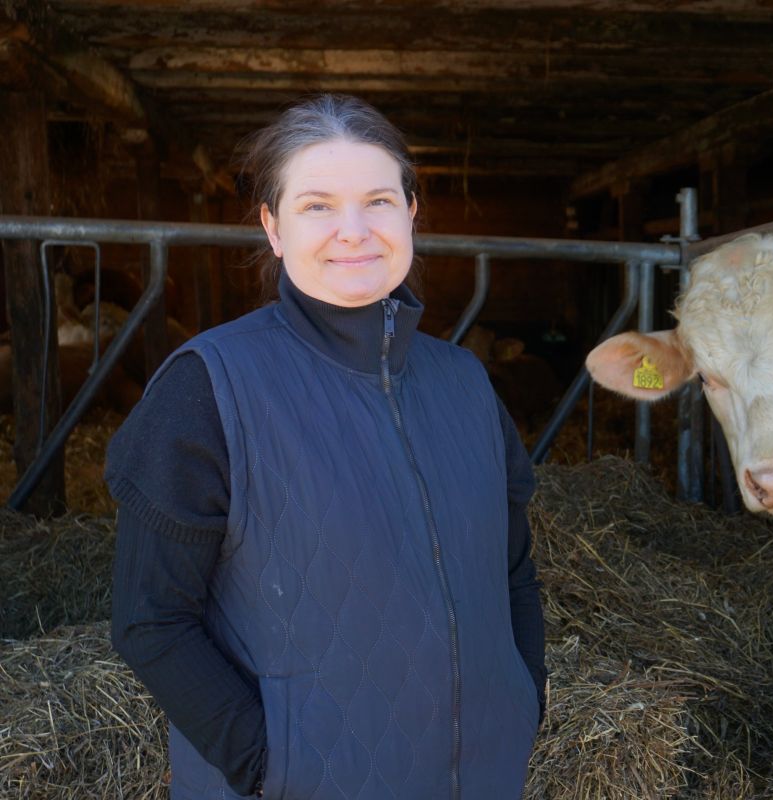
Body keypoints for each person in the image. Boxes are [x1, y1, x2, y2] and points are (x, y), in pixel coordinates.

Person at [106, 94, 546, 799]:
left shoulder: (464, 382)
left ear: (411, 214)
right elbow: (151, 620)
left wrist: (524, 701)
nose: (354, 231)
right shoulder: (207, 388)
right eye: (316, 206)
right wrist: (269, 764)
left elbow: (514, 571)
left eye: (377, 200)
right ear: (273, 228)